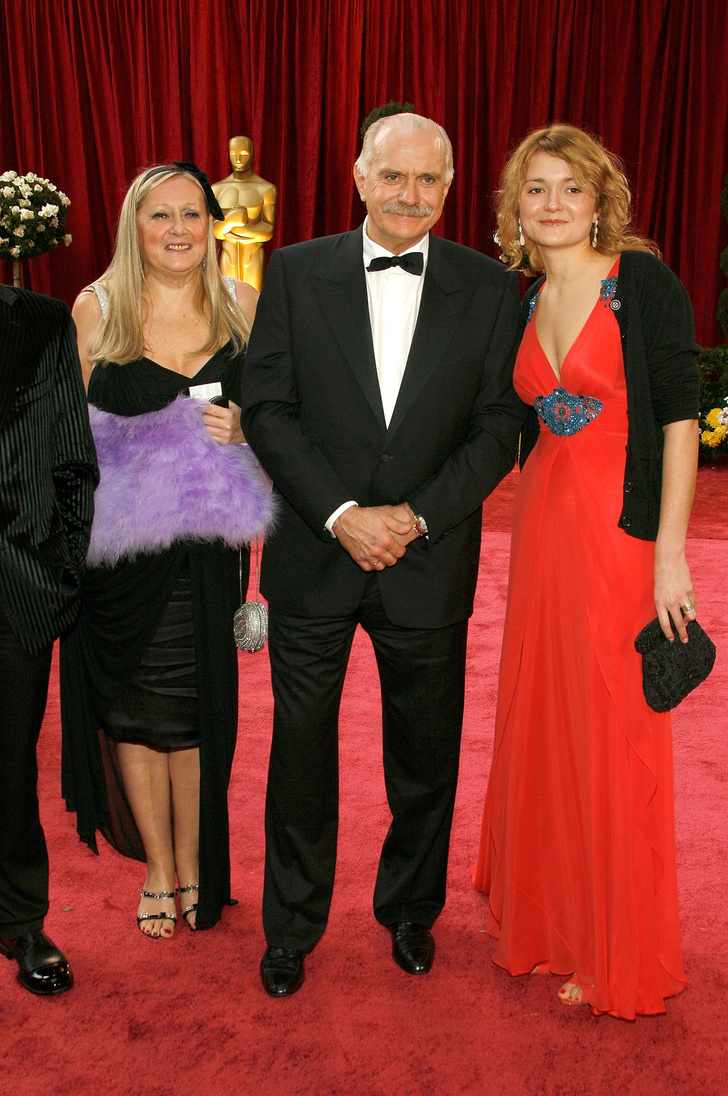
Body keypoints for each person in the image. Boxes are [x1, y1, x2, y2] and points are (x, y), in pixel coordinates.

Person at [241, 112, 525, 996]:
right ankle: (291, 926)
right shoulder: (294, 271)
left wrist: (415, 517)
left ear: (450, 187)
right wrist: (340, 515)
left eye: (428, 179)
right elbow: (268, 410)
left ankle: (410, 911)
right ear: (360, 178)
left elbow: (500, 424)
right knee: (299, 754)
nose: (410, 194)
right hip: (315, 551)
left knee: (425, 756)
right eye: (392, 176)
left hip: (427, 558)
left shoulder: (492, 288)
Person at [471, 124, 700, 1019]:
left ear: (602, 198)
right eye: (536, 189)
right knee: (550, 715)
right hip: (543, 529)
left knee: (611, 723)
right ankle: (556, 920)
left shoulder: (641, 283)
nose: (553, 203)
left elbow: (678, 421)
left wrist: (671, 553)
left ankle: (616, 946)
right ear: (516, 207)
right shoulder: (521, 296)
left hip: (620, 532)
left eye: (571, 186)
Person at [62, 162, 270, 938]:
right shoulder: (98, 308)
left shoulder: (242, 303)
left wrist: (247, 427)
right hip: (121, 556)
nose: (178, 229)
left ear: (212, 225)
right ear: (134, 226)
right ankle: (159, 868)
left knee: (195, 712)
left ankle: (195, 861)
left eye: (191, 214)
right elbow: (62, 434)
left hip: (209, 553)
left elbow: (283, 412)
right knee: (136, 712)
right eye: (160, 215)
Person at [0, 286, 98, 994]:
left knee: (10, 760)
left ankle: (19, 918)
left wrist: (60, 567)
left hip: (18, 580)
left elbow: (71, 453)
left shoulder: (38, 320)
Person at [212, 136, 277, 291]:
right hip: (228, 252)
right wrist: (231, 220)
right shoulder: (217, 189)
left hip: (253, 253)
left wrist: (240, 229)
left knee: (254, 298)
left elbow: (268, 231)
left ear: (252, 154)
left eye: (243, 154)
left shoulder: (266, 189)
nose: (238, 159)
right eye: (233, 154)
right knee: (228, 298)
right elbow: (214, 231)